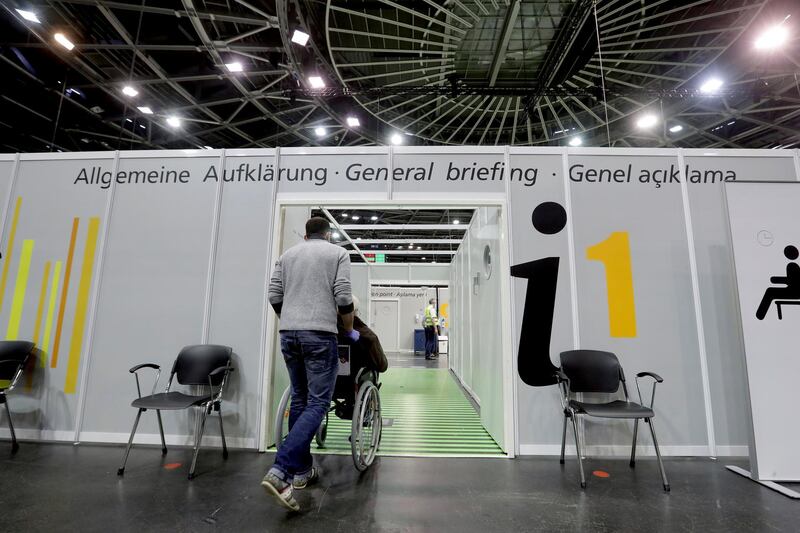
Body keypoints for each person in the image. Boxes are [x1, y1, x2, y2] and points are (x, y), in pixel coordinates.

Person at [261, 217, 358, 511]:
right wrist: (349, 328)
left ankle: (302, 471)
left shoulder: (287, 255)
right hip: (320, 335)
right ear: (328, 234)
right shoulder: (337, 253)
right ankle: (280, 471)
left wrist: (291, 318)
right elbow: (343, 296)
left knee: (300, 399)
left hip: (288, 335)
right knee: (318, 403)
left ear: (305, 235)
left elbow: (274, 295)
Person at [756, 245, 800, 320]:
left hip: (794, 292)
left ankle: (760, 315)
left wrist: (775, 280)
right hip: (794, 291)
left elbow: (791, 281)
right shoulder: (794, 266)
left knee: (770, 291)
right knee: (770, 291)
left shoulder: (792, 266)